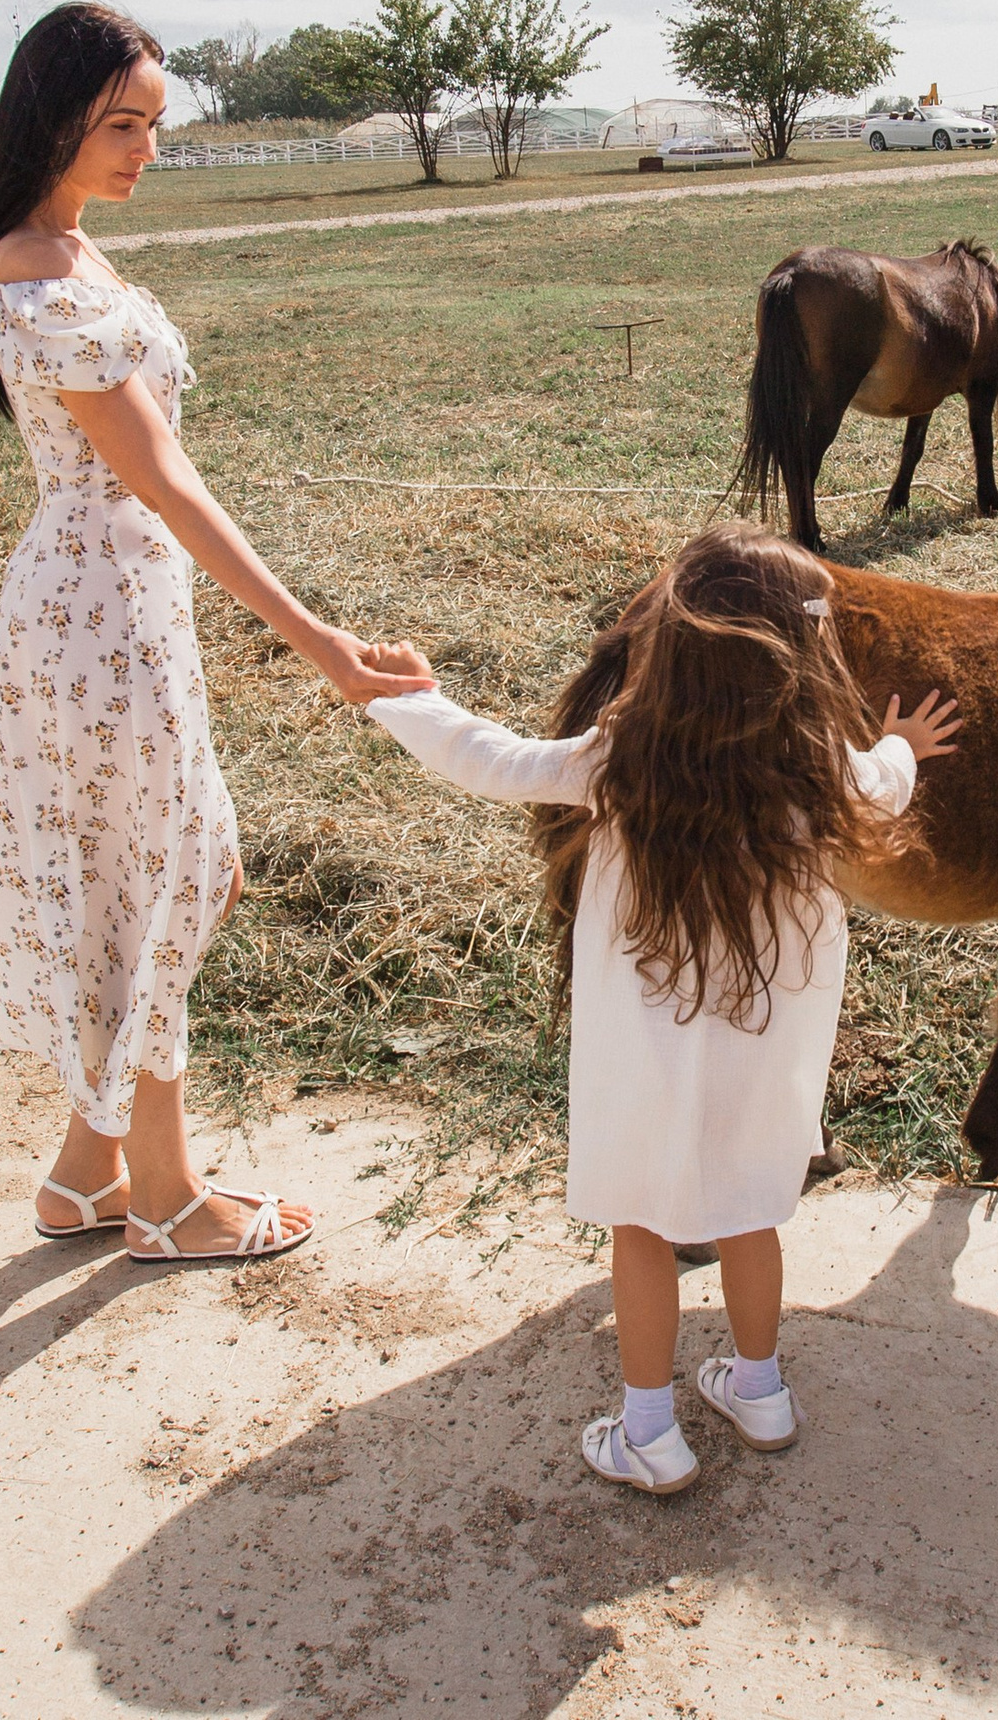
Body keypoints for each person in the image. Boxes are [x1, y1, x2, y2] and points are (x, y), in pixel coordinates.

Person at [0, 1, 431, 1266]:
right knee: (174, 870)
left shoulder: (73, 253)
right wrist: (318, 639)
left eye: (156, 123)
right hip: (94, 611)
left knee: (160, 868)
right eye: (123, 124)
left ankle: (84, 1173)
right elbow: (160, 475)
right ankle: (164, 1195)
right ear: (52, 119)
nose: (146, 150)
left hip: (122, 600)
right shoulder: (33, 266)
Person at [367, 526, 958, 1494]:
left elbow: (495, 760)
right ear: (806, 658)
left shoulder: (619, 761)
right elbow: (887, 782)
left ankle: (649, 1429)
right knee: (750, 1214)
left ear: (672, 648)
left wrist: (409, 699)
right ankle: (760, 1391)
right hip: (767, 1063)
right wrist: (902, 741)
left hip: (641, 1066)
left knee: (641, 1227)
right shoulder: (823, 773)